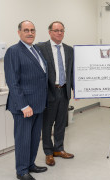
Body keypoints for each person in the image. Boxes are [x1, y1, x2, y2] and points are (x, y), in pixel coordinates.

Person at [4, 20, 48, 180]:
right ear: (19, 32)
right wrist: (23, 105)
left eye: (32, 30)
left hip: (38, 104)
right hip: (24, 107)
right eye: (26, 30)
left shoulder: (35, 49)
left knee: (35, 138)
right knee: (23, 139)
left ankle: (30, 164)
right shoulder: (13, 51)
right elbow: (12, 81)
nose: (30, 33)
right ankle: (21, 170)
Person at [36, 21, 74, 166]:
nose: (59, 33)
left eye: (62, 30)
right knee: (47, 124)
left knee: (61, 123)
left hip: (64, 91)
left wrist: (75, 89)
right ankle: (48, 152)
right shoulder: (40, 48)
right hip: (49, 92)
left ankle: (59, 149)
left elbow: (71, 71)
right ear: (50, 32)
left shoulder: (69, 50)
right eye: (56, 30)